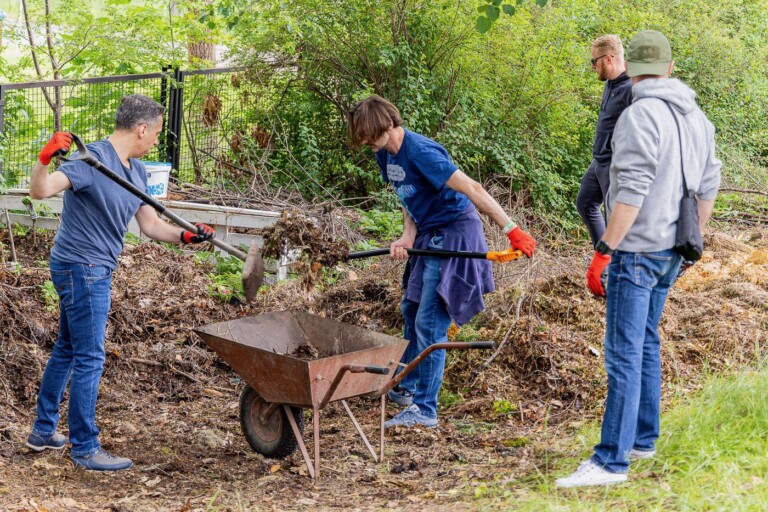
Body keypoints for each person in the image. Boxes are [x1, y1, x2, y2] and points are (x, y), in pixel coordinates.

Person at [556, 30, 721, 488]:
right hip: (674, 250)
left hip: (637, 253)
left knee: (623, 354)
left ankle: (610, 462)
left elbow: (629, 192)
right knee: (646, 343)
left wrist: (605, 248)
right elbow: (708, 187)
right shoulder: (698, 119)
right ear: (670, 68)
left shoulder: (636, 115)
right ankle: (643, 440)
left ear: (635, 68)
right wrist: (693, 238)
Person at [26, 94, 215, 471]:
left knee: (68, 348)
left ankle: (43, 431)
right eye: (157, 132)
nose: (158, 139)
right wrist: (43, 159)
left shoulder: (138, 171)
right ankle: (84, 447)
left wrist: (186, 237)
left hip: (91, 267)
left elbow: (149, 225)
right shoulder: (88, 160)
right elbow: (40, 191)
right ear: (141, 128)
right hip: (83, 267)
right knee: (90, 357)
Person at [347, 95, 536, 429]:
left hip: (454, 232)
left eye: (369, 134)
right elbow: (405, 195)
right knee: (411, 308)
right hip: (428, 233)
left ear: (389, 124)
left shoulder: (421, 152)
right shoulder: (385, 154)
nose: (365, 142)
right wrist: (408, 235)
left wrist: (511, 229)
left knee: (430, 321)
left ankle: (425, 409)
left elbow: (473, 188)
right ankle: (405, 386)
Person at [576, 35, 633, 248]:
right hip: (598, 161)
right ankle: (603, 257)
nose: (592, 67)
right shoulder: (610, 83)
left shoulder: (631, 89)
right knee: (585, 203)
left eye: (594, 61)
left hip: (615, 165)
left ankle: (613, 269)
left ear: (608, 58)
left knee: (615, 220)